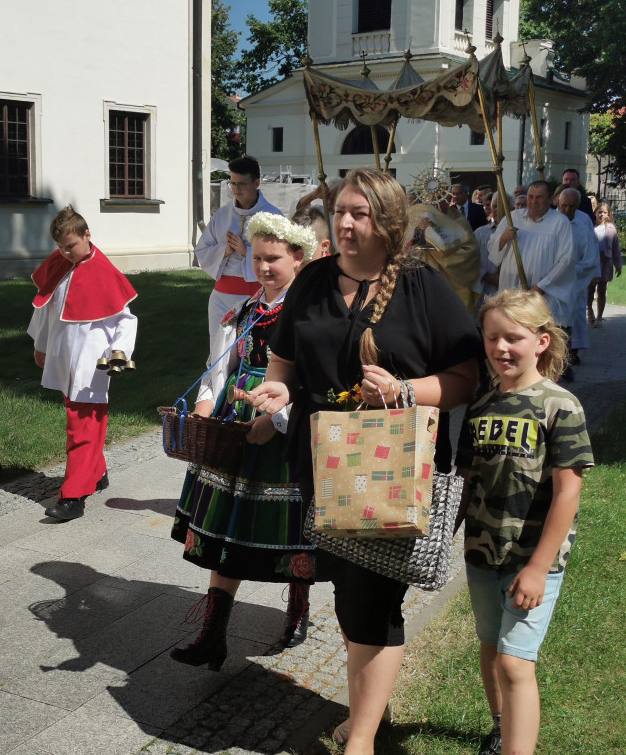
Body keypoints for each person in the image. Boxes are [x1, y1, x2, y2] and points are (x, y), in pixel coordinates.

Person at [249, 169, 482, 754]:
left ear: (389, 224)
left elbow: (466, 376)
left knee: (374, 600)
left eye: (361, 214)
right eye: (341, 211)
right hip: (326, 467)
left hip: (399, 466)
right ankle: (368, 718)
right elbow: (284, 361)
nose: (346, 223)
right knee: (351, 595)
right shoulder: (313, 282)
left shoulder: (422, 284)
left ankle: (361, 739)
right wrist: (280, 392)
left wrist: (407, 390)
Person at [169, 213, 320, 670]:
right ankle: (213, 632)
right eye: (257, 258)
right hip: (239, 418)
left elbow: (314, 380)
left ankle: (297, 609)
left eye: (273, 259)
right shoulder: (249, 308)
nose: (264, 267)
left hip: (285, 421)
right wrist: (205, 404)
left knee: (293, 526)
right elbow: (219, 362)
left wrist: (274, 423)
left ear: (299, 258)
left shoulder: (309, 313)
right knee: (229, 529)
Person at [456, 289, 592, 755]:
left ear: (541, 341)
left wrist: (538, 566)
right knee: (491, 648)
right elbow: (466, 480)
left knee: (516, 664)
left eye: (513, 337)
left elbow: (568, 491)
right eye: (492, 337)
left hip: (532, 556)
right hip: (482, 551)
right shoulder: (478, 408)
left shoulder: (560, 406)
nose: (500, 348)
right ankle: (501, 726)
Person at [28, 206, 137, 521]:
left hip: (92, 363)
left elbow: (126, 320)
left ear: (87, 235)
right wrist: (41, 344)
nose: (65, 252)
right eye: (61, 247)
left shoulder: (103, 271)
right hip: (63, 358)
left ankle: (73, 497)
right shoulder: (61, 263)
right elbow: (47, 307)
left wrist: (119, 352)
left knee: (83, 425)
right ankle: (96, 471)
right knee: (80, 420)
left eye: (71, 245)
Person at [194, 155, 282, 385]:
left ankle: (245, 398)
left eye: (241, 184)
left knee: (249, 353)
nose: (236, 189)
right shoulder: (222, 215)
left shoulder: (272, 216)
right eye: (232, 183)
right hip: (222, 296)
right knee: (217, 353)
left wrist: (247, 251)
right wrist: (224, 250)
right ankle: (215, 400)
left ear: (256, 182)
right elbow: (202, 250)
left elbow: (281, 257)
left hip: (254, 296)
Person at [488, 181, 576, 379]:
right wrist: (503, 238)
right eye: (530, 197)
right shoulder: (513, 218)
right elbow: (492, 253)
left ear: (549, 200)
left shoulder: (559, 222)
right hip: (512, 288)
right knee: (512, 332)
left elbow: (567, 259)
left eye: (539, 197)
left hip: (542, 292)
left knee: (537, 336)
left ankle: (542, 376)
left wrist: (541, 286)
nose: (533, 202)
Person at [554, 188, 600, 365]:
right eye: (563, 205)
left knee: (575, 316)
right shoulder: (551, 221)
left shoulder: (583, 224)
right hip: (553, 281)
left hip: (575, 280)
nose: (566, 210)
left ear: (578, 206)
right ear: (558, 202)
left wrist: (579, 271)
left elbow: (591, 252)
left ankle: (572, 351)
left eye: (571, 207)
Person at [588, 203, 622, 326]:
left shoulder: (611, 229)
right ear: (595, 213)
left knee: (602, 289)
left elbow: (615, 248)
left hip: (605, 261)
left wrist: (618, 264)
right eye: (599, 212)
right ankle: (590, 311)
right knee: (589, 289)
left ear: (608, 215)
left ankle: (599, 317)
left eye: (604, 212)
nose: (602, 214)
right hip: (592, 262)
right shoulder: (590, 227)